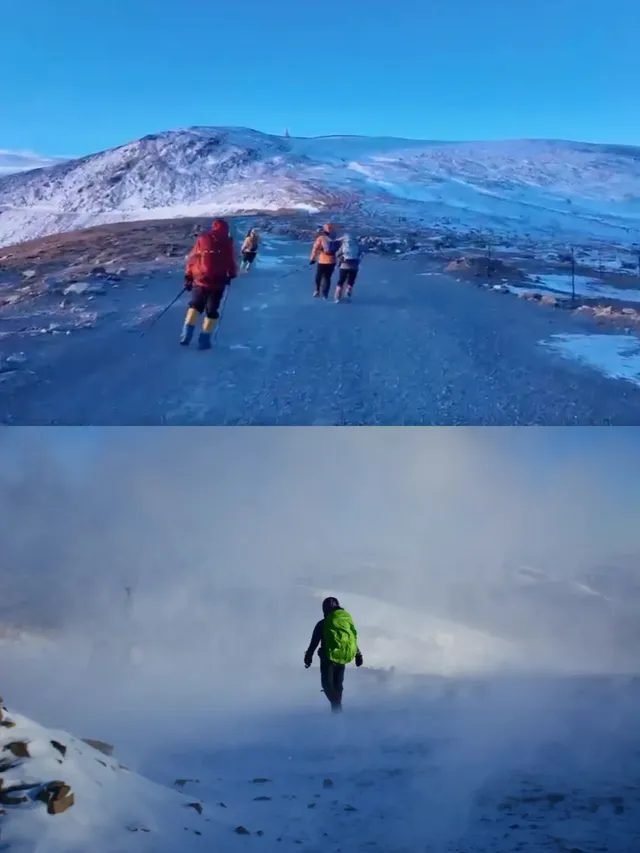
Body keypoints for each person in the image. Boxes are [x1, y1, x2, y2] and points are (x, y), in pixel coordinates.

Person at [181, 218, 238, 349]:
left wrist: (188, 276)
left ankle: (185, 336)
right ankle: (204, 341)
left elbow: (193, 258)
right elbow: (230, 261)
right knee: (212, 311)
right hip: (218, 283)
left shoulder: (203, 239)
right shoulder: (227, 242)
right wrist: (232, 275)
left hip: (200, 280)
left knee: (195, 306)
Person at [304, 597, 363, 712]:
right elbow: (350, 640)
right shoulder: (343, 623)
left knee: (327, 685)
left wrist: (308, 657)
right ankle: (337, 712)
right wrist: (358, 655)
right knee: (338, 685)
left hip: (328, 659)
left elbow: (314, 642)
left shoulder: (322, 624)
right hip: (342, 657)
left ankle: (336, 708)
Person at [309, 223, 340, 298]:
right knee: (327, 277)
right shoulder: (336, 238)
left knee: (318, 276)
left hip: (322, 260)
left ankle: (317, 290)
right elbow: (339, 250)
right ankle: (325, 293)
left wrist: (312, 259)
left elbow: (315, 249)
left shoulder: (321, 238)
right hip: (332, 261)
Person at [334, 232, 362, 302]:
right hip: (354, 266)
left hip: (344, 265)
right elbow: (360, 254)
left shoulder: (344, 245)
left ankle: (337, 296)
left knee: (341, 281)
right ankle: (348, 292)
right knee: (351, 281)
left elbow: (337, 254)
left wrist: (339, 258)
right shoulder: (357, 245)